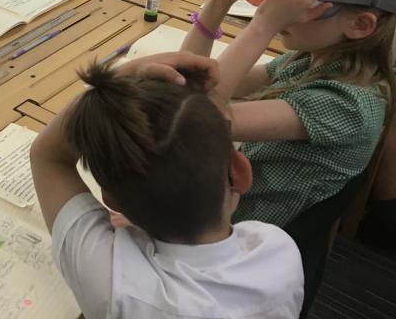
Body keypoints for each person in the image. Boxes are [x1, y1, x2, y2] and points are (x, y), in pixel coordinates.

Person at [30, 52, 304, 318]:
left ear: (110, 201)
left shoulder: (116, 290)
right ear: (240, 172)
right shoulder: (279, 252)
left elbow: (47, 156)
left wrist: (124, 75)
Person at [182, 0, 396, 229]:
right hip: (211, 195)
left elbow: (190, 119)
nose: (282, 10)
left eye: (307, 1)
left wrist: (266, 24)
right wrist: (219, 0)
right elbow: (193, 85)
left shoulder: (345, 105)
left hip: (229, 234)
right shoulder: (311, 59)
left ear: (360, 24)